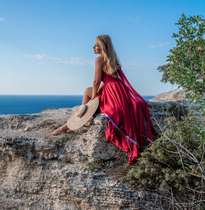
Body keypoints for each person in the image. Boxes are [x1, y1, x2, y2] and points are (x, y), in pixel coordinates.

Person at [51, 35, 158, 164]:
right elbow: (110, 80)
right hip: (119, 91)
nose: (93, 47)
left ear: (102, 47)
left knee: (88, 95)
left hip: (112, 94)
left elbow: (96, 81)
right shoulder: (113, 59)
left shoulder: (99, 60)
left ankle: (75, 121)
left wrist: (94, 98)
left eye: (96, 45)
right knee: (87, 91)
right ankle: (75, 121)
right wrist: (97, 92)